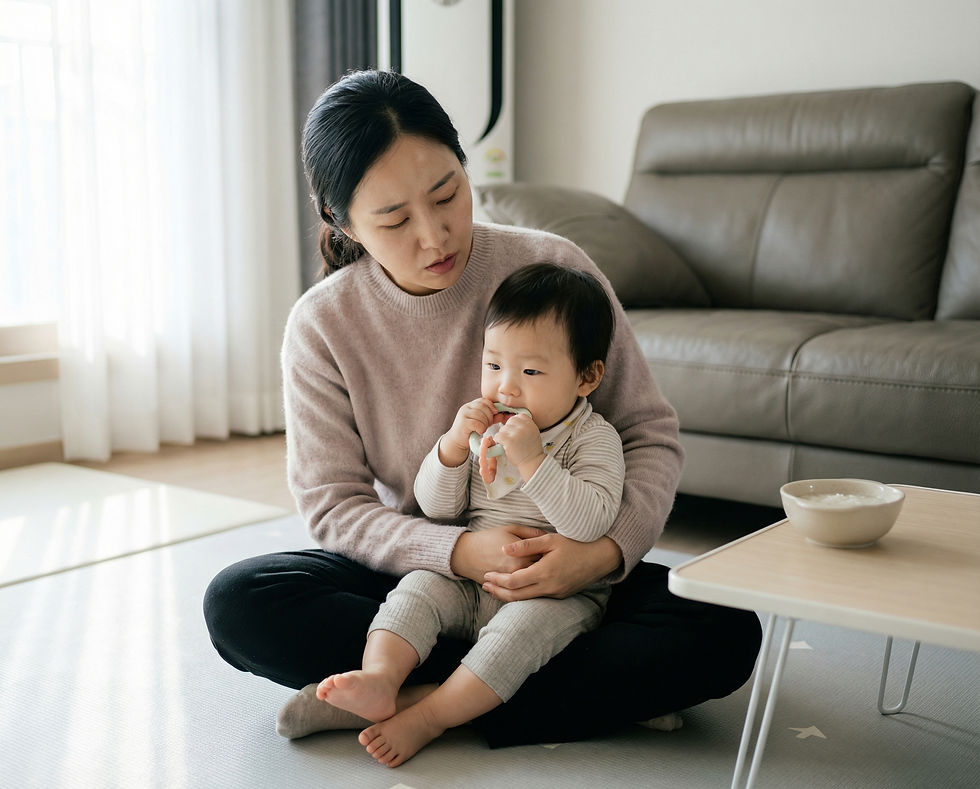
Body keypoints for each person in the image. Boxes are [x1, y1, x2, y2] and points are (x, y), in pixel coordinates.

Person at [202, 69, 761, 753]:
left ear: (467, 169)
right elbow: (334, 507)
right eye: (395, 219)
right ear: (341, 221)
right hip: (422, 567)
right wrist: (459, 550)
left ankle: (428, 701)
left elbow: (648, 433)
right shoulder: (323, 324)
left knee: (724, 626)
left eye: (448, 195)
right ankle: (517, 696)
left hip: (557, 572)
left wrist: (599, 554)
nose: (435, 236)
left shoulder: (551, 268)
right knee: (241, 600)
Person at [318, 262, 627, 766]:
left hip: (556, 595)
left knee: (515, 637)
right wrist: (452, 448)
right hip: (470, 582)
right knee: (416, 587)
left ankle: (429, 715)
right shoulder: (482, 428)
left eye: (530, 372)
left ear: (587, 377)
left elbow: (589, 523)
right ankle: (381, 678)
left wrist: (533, 460)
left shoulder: (593, 438)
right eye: (493, 366)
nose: (506, 387)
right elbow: (437, 508)